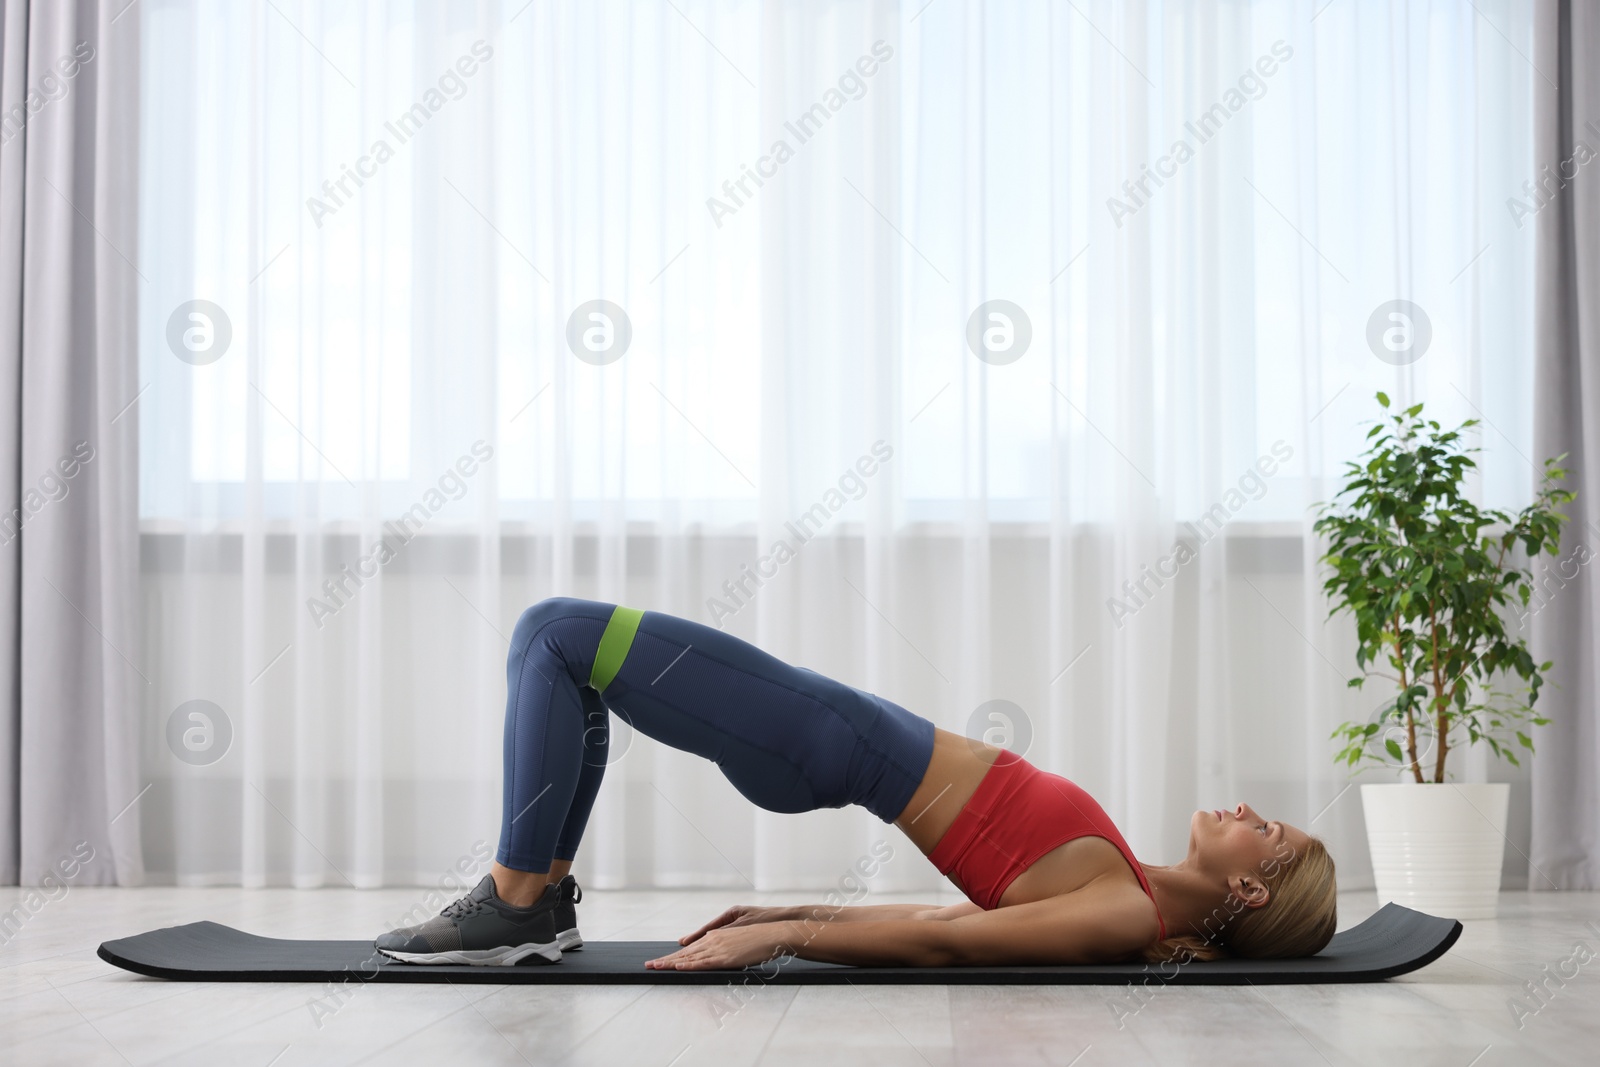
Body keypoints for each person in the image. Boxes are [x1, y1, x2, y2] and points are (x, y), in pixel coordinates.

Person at [375, 598, 1337, 969]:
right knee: (572, 661)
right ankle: (535, 903)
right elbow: (952, 924)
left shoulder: (1127, 916)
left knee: (552, 634)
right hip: (829, 729)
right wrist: (787, 907)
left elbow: (946, 943)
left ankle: (512, 898)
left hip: (822, 742)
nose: (1249, 812)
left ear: (1250, 889)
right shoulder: (1127, 880)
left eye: (1271, 833)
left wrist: (784, 938)